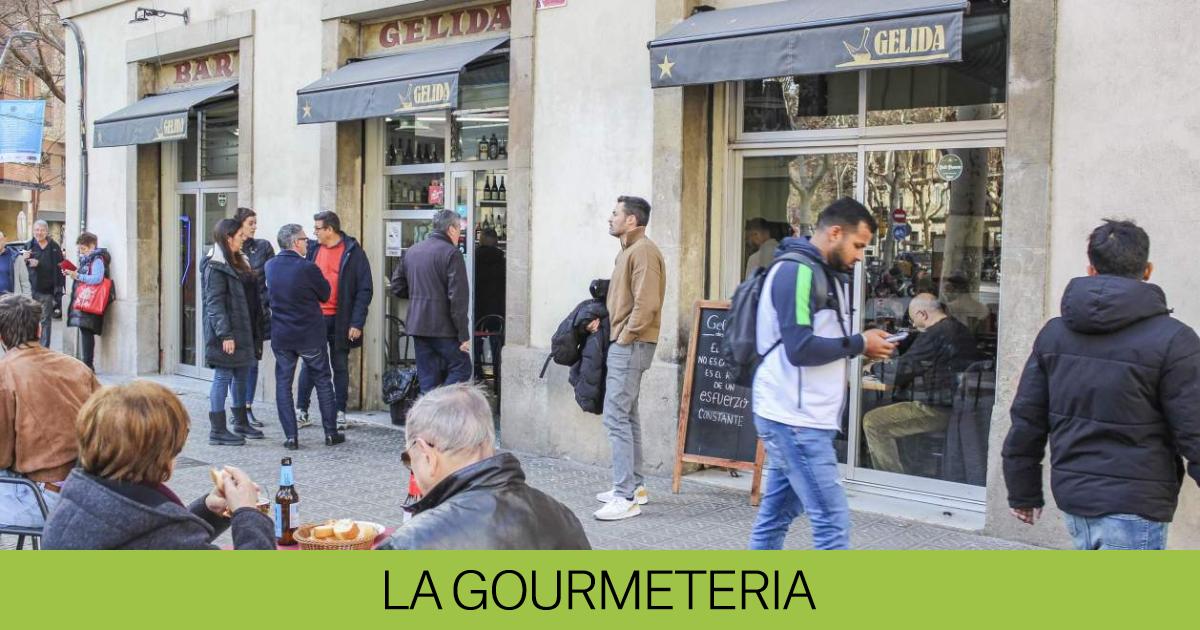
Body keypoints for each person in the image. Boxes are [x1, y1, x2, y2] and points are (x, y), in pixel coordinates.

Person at [1003, 220, 1200, 550]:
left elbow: (1027, 419)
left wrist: (1023, 490)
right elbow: (1194, 428)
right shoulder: (1174, 340)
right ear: (1147, 270)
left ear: (1090, 270)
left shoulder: (1054, 333)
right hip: (1136, 502)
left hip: (1075, 494)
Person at [748, 198, 894, 550]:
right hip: (795, 420)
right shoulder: (796, 272)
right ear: (835, 232)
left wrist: (860, 344)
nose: (860, 256)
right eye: (858, 245)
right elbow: (799, 348)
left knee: (775, 518)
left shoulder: (825, 273)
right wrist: (860, 343)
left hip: (803, 418)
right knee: (832, 522)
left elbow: (822, 340)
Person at [42, 381, 275, 550]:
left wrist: (207, 509)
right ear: (161, 453)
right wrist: (247, 514)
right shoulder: (162, 532)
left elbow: (150, 532)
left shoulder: (81, 496)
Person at [378, 384, 590, 550]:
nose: (413, 473)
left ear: (427, 455)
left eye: (409, 462)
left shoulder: (410, 544)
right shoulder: (562, 516)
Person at [587, 195, 665, 521]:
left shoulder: (643, 251)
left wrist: (624, 336)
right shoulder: (630, 251)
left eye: (615, 213)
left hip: (630, 344)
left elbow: (646, 305)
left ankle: (625, 495)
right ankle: (636, 487)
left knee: (615, 417)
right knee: (627, 415)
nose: (610, 217)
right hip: (628, 342)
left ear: (631, 220)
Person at [0, 293, 101, 528]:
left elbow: (2, 455)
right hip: (89, 488)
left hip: (42, 498)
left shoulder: (5, 374)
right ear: (38, 329)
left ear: (2, 336)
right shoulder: (77, 367)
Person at [862, 293, 979, 475]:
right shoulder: (959, 329)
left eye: (913, 318)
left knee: (873, 422)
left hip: (938, 409)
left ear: (923, 314)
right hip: (958, 406)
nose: (913, 325)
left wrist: (872, 367)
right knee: (890, 410)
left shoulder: (935, 334)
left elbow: (900, 372)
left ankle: (889, 480)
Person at [266, 224, 342, 449]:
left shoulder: (270, 266)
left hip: (282, 335)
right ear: (295, 242)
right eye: (304, 239)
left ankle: (291, 437)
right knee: (323, 381)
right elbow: (325, 294)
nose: (308, 242)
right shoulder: (307, 268)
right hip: (309, 334)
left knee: (283, 384)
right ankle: (330, 433)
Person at [296, 210, 373, 430]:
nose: (314, 233)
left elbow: (364, 289)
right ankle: (302, 410)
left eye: (318, 229)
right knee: (309, 365)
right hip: (314, 318)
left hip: (341, 320)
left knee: (340, 366)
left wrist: (357, 322)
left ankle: (340, 412)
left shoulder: (353, 252)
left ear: (330, 229)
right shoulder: (312, 250)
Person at [390, 209, 471, 393]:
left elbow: (397, 286)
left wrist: (419, 296)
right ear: (451, 229)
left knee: (428, 379)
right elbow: (458, 298)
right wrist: (463, 335)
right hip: (444, 328)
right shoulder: (452, 253)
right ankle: (439, 404)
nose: (460, 233)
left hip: (418, 326)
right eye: (459, 228)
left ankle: (428, 417)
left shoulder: (412, 251)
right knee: (462, 367)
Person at [201, 218, 260, 445]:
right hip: (226, 332)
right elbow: (213, 303)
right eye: (240, 236)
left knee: (242, 374)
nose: (244, 239)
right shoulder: (215, 265)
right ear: (228, 238)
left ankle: (240, 422)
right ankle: (217, 430)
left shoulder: (238, 259)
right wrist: (225, 335)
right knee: (223, 376)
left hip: (243, 328)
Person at [234, 207, 275, 430]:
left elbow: (274, 275)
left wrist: (267, 302)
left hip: (258, 312)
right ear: (240, 224)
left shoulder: (263, 247)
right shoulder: (230, 249)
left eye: (255, 222)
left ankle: (247, 407)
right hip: (239, 314)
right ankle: (237, 409)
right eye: (251, 222)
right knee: (238, 364)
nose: (254, 226)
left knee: (252, 361)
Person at [63, 232, 111, 372]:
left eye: (83, 248)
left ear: (92, 246)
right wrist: (72, 273)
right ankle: (87, 365)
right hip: (85, 299)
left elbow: (97, 279)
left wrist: (77, 275)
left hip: (91, 300)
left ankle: (88, 365)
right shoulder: (88, 259)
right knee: (85, 331)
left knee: (87, 332)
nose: (81, 251)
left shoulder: (97, 260)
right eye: (80, 249)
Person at [473, 228, 505, 381]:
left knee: (475, 344)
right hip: (497, 310)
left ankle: (477, 376)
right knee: (497, 345)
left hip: (477, 308)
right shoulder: (502, 261)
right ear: (497, 242)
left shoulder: (473, 261)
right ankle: (498, 380)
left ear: (480, 240)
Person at [25, 220, 64, 347]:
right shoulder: (28, 246)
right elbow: (18, 264)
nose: (39, 232)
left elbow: (60, 267)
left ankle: (44, 348)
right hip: (31, 289)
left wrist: (59, 289)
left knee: (45, 321)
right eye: (37, 230)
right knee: (30, 320)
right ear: (33, 231)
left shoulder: (54, 247)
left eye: (42, 230)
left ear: (47, 232)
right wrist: (26, 260)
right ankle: (32, 346)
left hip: (47, 291)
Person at [0, 231, 31, 297]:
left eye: (0, 240)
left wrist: (27, 301)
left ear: (5, 240)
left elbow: (25, 282)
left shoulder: (16, 257)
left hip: (11, 301)